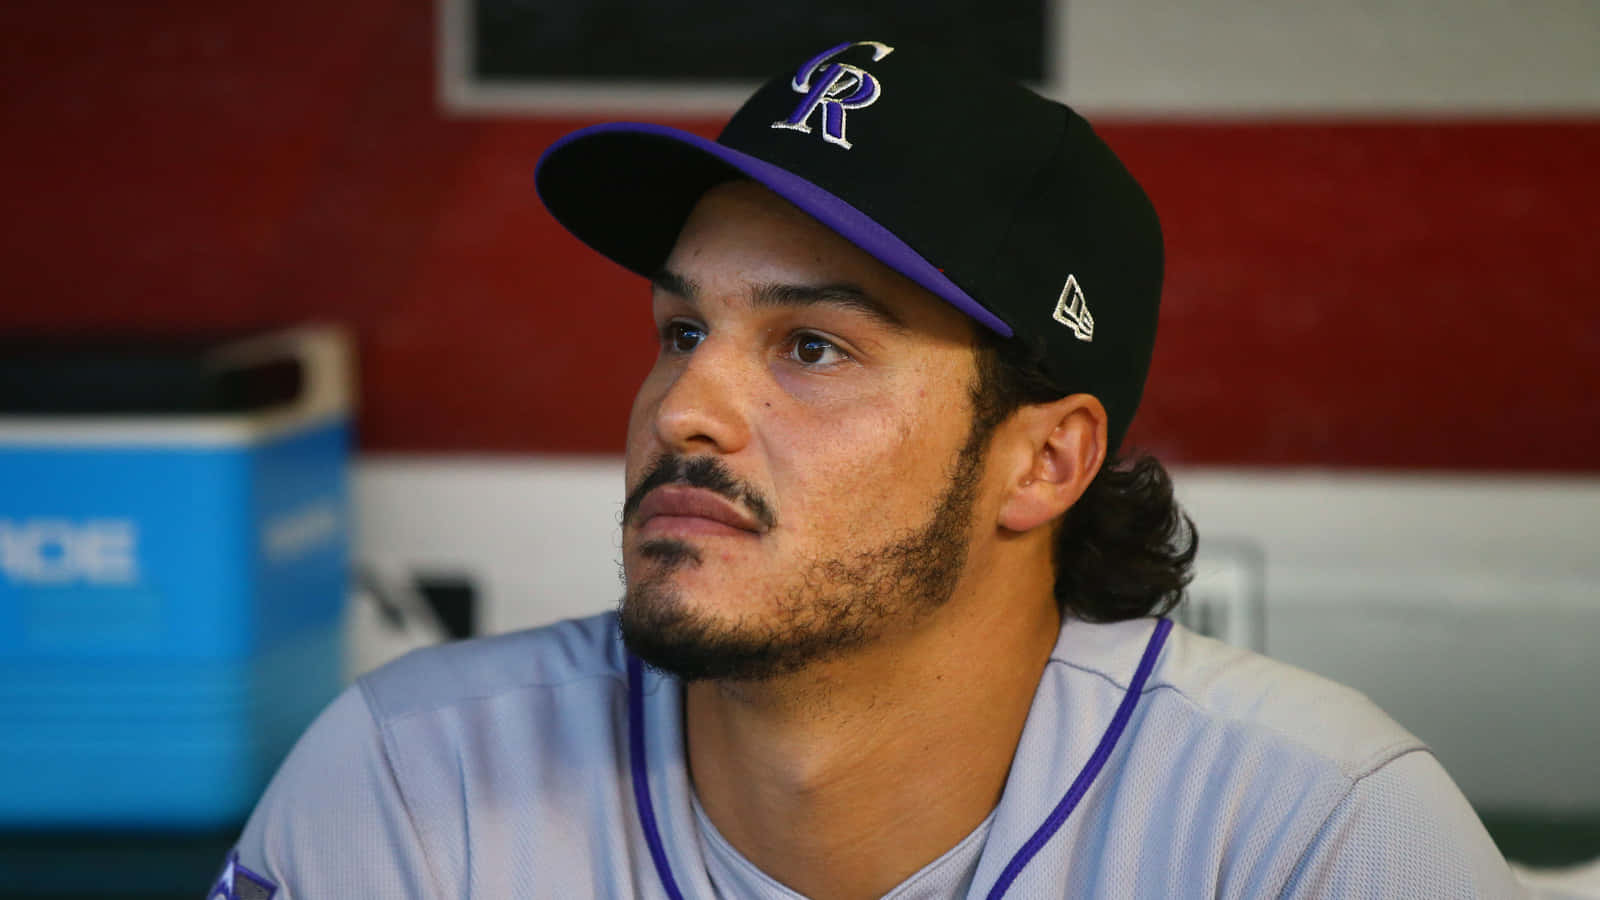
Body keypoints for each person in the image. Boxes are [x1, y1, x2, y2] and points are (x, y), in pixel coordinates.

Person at [209, 39, 1521, 899]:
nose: (686, 410)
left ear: (1044, 460)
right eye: (682, 330)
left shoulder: (1311, 834)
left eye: (814, 347)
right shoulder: (412, 782)